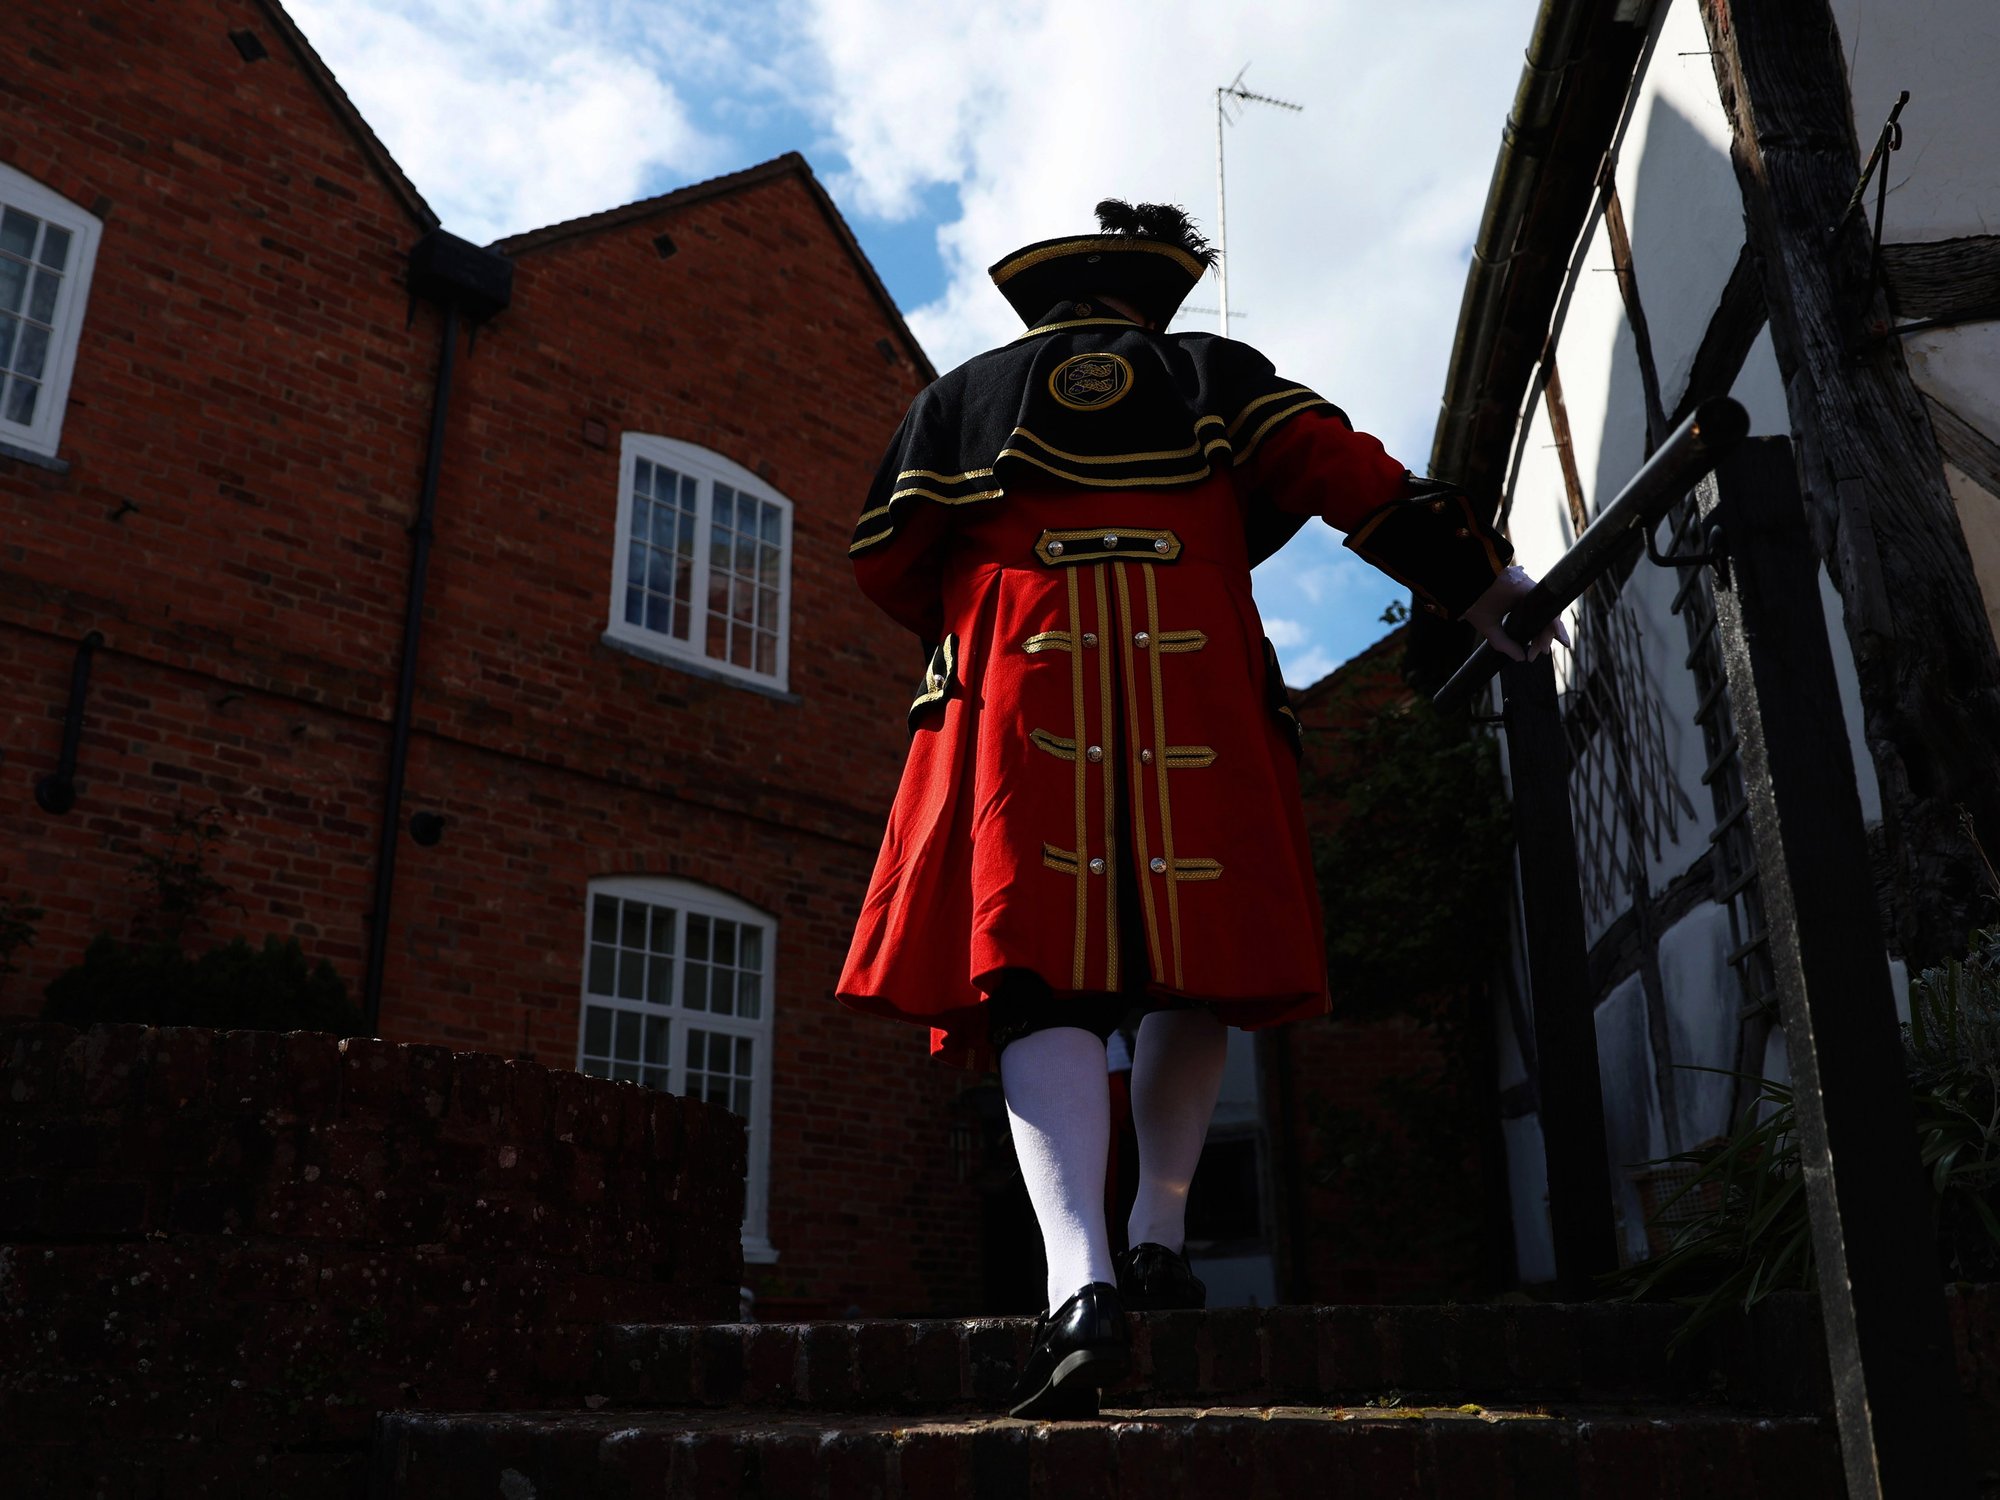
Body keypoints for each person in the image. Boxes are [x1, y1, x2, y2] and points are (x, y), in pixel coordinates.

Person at [836, 200, 1564, 1419]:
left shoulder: (953, 398)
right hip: (1196, 677)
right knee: (1196, 961)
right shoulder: (1213, 373)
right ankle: (1160, 1234)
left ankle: (1081, 1287)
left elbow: (889, 564)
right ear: (1148, 300)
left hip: (1024, 669)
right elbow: (1343, 476)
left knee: (1039, 976)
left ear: (1049, 303)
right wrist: (1476, 578)